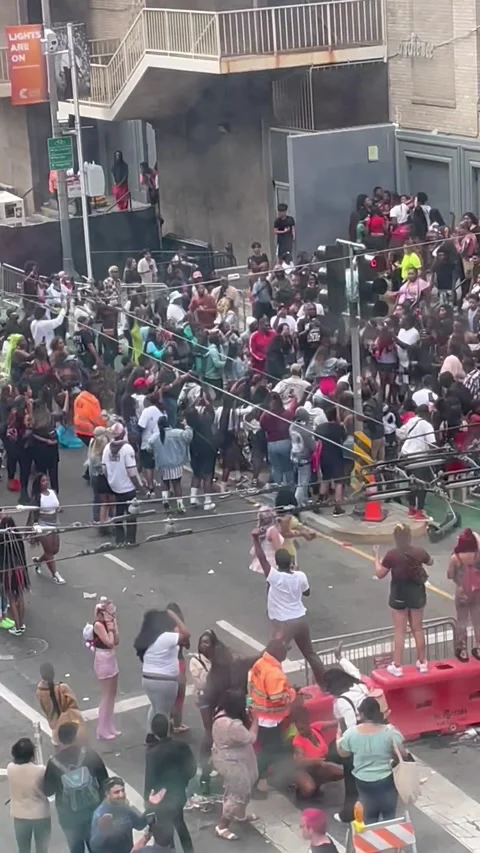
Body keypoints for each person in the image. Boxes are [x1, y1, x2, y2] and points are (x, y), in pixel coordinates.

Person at [251, 532, 325, 685]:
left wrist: (255, 539)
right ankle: (326, 684)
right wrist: (297, 573)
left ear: (277, 564)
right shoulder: (300, 576)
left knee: (271, 655)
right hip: (300, 620)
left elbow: (262, 558)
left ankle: (269, 684)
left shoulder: (275, 577)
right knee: (310, 654)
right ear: (291, 561)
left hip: (284, 624)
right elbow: (307, 592)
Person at [374, 523, 432, 677]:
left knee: (399, 631)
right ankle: (422, 662)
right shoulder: (418, 552)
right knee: (418, 629)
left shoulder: (392, 555)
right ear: (409, 537)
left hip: (398, 595)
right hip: (417, 594)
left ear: (395, 538)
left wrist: (376, 558)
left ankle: (397, 665)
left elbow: (380, 574)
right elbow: (430, 561)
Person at [337, 697, 404, 824]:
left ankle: (372, 840)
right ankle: (392, 840)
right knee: (389, 816)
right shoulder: (389, 732)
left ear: (362, 714)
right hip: (386, 780)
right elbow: (402, 754)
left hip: (363, 782)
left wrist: (338, 736)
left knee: (369, 816)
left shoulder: (351, 733)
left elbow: (343, 753)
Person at [44, 721, 108, 853]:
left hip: (69, 818)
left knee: (76, 849)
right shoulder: (90, 755)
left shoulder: (54, 763)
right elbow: (105, 781)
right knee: (97, 847)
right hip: (93, 812)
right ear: (75, 736)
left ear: (59, 740)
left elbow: (48, 790)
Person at [247, 639, 296, 793]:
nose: (286, 653)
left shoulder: (260, 663)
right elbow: (277, 698)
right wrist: (292, 693)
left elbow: (252, 685)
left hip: (258, 714)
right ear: (278, 652)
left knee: (272, 749)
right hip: (270, 719)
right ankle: (255, 778)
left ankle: (267, 777)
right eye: (285, 650)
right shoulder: (274, 673)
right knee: (272, 750)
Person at [144, 713, 196, 852]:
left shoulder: (152, 754)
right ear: (169, 728)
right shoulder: (182, 746)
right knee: (179, 822)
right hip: (178, 793)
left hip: (161, 798)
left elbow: (150, 779)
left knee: (164, 828)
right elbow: (192, 769)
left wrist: (147, 799)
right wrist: (182, 782)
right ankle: (188, 850)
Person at [212, 688, 258, 840]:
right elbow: (251, 737)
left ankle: (240, 814)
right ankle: (222, 826)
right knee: (238, 791)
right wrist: (256, 720)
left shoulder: (219, 715)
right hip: (233, 762)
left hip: (232, 756)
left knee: (249, 780)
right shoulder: (233, 726)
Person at [134, 608, 190, 730]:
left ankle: (150, 734)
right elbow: (186, 635)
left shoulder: (148, 639)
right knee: (164, 712)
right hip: (165, 681)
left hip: (148, 680)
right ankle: (163, 738)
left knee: (155, 708)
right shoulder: (165, 637)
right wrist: (174, 616)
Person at [90, 776, 165, 853]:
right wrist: (103, 833)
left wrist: (151, 805)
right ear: (107, 794)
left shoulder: (125, 808)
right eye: (116, 792)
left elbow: (140, 824)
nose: (121, 795)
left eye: (123, 790)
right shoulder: (100, 814)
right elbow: (94, 847)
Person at [7, 737, 51, 853]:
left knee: (23, 849)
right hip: (40, 815)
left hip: (20, 815)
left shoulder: (10, 768)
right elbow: (48, 789)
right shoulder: (40, 770)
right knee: (42, 848)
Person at [102, 422, 142, 546]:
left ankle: (119, 539)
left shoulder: (107, 447)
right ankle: (130, 540)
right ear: (124, 433)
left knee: (118, 514)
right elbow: (131, 471)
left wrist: (111, 479)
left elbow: (104, 468)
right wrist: (139, 486)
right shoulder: (127, 448)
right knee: (131, 514)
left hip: (114, 486)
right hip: (128, 487)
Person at [397, 403, 437, 519]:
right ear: (426, 414)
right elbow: (432, 443)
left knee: (412, 483)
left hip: (407, 457)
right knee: (421, 486)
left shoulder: (411, 421)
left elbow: (400, 433)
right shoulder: (427, 425)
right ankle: (419, 512)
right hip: (419, 459)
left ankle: (411, 509)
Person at [447, 528, 480, 661]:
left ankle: (462, 650)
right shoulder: (478, 555)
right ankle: (479, 648)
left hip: (462, 593)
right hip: (477, 591)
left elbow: (449, 575)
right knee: (478, 622)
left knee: (462, 621)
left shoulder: (456, 558)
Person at [91, 598, 120, 741]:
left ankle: (109, 724)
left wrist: (113, 625)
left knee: (112, 694)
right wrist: (110, 627)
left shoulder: (111, 622)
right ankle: (101, 728)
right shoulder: (98, 625)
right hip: (103, 659)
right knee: (106, 695)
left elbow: (116, 641)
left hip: (111, 658)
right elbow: (108, 642)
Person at [36, 662, 85, 746]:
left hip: (55, 729)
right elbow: (73, 705)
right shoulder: (63, 688)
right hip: (69, 727)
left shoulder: (40, 692)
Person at [152, 415, 193, 514]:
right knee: (176, 483)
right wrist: (187, 425)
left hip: (162, 464)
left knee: (165, 483)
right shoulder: (176, 433)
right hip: (175, 463)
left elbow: (149, 447)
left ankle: (165, 501)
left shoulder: (155, 437)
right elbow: (188, 436)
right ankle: (180, 505)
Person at [30, 472, 64, 584]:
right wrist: (35, 524)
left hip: (55, 522)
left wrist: (58, 509)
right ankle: (55, 574)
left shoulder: (52, 492)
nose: (46, 483)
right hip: (43, 524)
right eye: (43, 481)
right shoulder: (37, 497)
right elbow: (34, 512)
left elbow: (56, 505)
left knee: (55, 550)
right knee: (49, 551)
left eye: (47, 480)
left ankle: (38, 561)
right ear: (38, 484)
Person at [0, 516, 30, 636]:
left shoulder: (2, 539)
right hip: (19, 570)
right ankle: (21, 625)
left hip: (8, 571)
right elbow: (23, 556)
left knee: (11, 599)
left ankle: (17, 628)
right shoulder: (17, 537)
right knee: (20, 596)